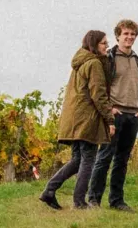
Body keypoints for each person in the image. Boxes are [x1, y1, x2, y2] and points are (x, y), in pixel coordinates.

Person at [40, 29, 114, 210]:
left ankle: (49, 190)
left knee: (77, 159)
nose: (107, 46)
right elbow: (98, 94)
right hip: (86, 118)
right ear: (94, 45)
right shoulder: (94, 63)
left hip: (74, 117)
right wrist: (110, 119)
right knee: (88, 158)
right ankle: (79, 202)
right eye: (104, 43)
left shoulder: (80, 62)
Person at [90, 17, 138, 210]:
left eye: (132, 34)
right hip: (114, 114)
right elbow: (100, 88)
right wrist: (109, 109)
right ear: (118, 36)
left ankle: (116, 201)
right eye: (126, 34)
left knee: (122, 160)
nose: (129, 37)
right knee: (105, 157)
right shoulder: (108, 59)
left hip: (133, 117)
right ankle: (94, 199)